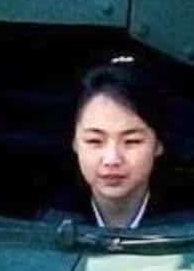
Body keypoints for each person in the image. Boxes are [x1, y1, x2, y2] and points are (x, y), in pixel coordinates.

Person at [69, 59, 169, 231]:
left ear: (158, 144)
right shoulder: (46, 222)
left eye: (132, 141)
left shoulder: (193, 224)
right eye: (94, 141)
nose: (112, 160)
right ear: (75, 143)